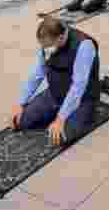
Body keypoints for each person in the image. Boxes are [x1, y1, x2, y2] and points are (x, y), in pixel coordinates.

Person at [12, 17, 101, 147]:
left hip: (83, 99)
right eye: (43, 46)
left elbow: (78, 86)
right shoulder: (48, 43)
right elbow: (37, 74)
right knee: (20, 122)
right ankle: (57, 112)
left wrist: (61, 118)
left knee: (59, 137)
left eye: (47, 46)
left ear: (60, 38)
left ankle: (85, 114)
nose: (45, 49)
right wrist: (20, 103)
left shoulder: (84, 46)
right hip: (56, 93)